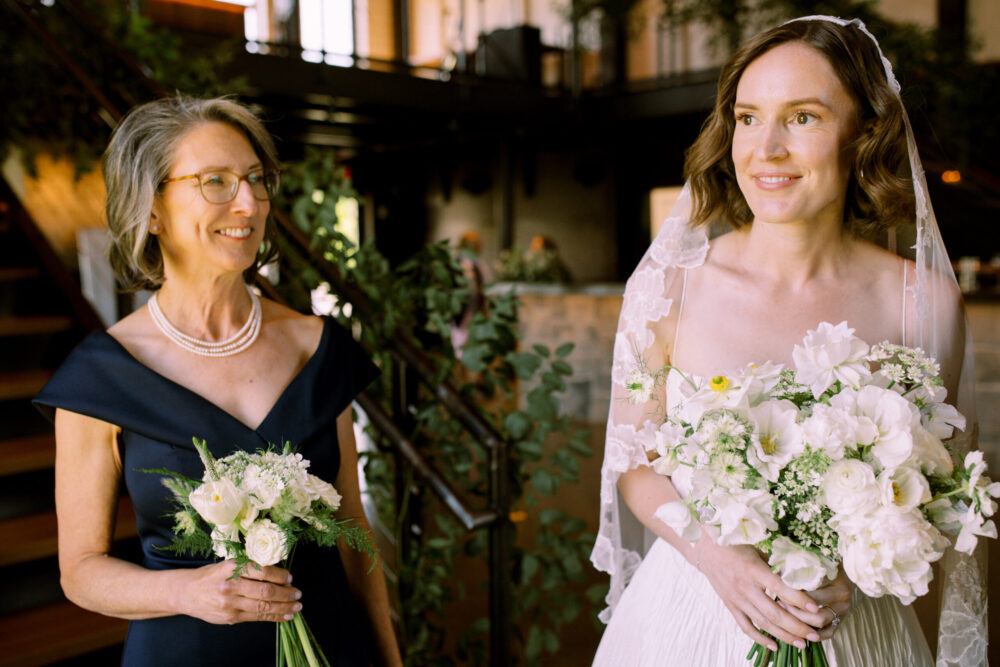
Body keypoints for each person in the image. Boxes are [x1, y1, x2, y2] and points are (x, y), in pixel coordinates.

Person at [591, 16, 985, 667]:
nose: (765, 148)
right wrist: (716, 554)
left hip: (858, 632)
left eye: (802, 117)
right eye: (748, 118)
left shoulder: (925, 303)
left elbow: (941, 491)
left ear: (863, 132)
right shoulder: (671, 289)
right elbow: (632, 462)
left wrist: (860, 565)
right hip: (692, 614)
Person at [34, 96, 403, 666]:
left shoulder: (316, 347)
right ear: (151, 209)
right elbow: (80, 571)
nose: (250, 202)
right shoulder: (100, 378)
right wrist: (185, 591)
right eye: (216, 181)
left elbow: (354, 533)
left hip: (333, 645)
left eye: (257, 179)